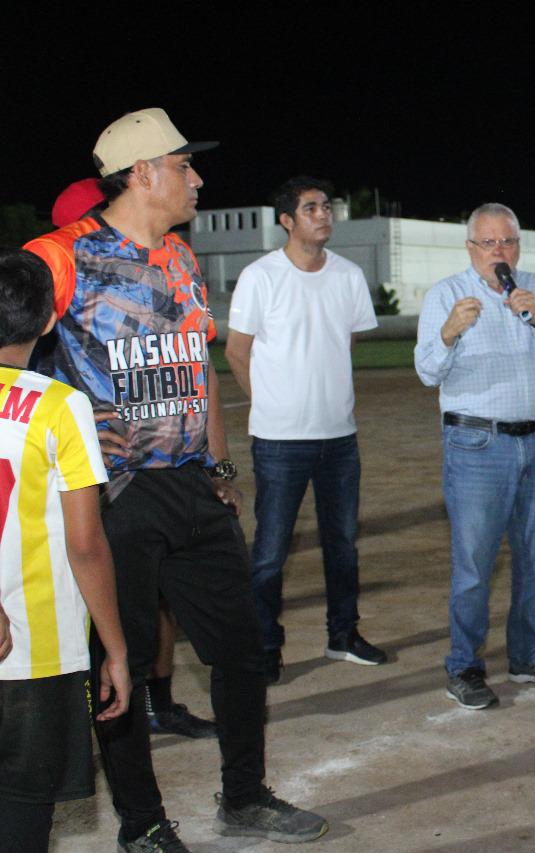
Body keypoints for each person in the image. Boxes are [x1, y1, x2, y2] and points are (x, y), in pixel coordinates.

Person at [25, 108, 327, 849]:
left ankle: (246, 794)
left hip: (194, 485)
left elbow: (200, 379)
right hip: (112, 497)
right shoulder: (59, 258)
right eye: (185, 165)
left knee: (242, 647)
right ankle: (143, 823)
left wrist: (222, 467)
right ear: (143, 172)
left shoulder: (182, 260)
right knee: (118, 662)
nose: (198, 177)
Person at [50, 178, 215, 739]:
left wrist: (217, 463)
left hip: (166, 474)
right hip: (95, 482)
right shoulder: (68, 265)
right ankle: (110, 711)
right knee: (108, 611)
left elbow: (197, 362)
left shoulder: (170, 258)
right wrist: (77, 428)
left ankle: (157, 701)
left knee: (157, 601)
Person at [414, 202, 535, 710]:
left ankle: (529, 653)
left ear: (519, 245)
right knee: (474, 565)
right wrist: (448, 333)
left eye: (507, 242)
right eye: (488, 243)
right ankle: (463, 666)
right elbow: (426, 371)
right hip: (476, 446)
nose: (499, 252)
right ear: (470, 249)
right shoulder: (446, 295)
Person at [225, 176, 385, 684]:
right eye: (311, 207)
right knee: (271, 550)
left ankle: (344, 635)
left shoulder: (348, 275)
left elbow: (345, 344)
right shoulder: (260, 276)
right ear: (287, 221)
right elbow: (236, 351)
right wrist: (271, 404)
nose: (324, 214)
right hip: (279, 440)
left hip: (339, 436)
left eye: (327, 206)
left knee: (342, 543)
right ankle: (266, 645)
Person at [0, 249, 130, 853]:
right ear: (50, 320)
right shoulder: (58, 406)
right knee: (24, 809)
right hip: (35, 649)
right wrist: (116, 647)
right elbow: (86, 544)